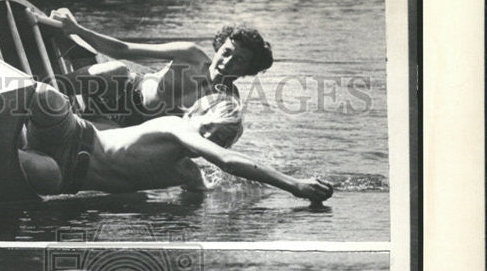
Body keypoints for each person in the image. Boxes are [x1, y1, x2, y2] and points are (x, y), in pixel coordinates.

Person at [17, 81, 334, 202]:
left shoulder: (187, 174)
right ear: (196, 113)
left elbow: (227, 182)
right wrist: (294, 185)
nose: (212, 140)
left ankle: (12, 151)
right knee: (47, 96)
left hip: (63, 176)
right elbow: (226, 162)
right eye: (213, 130)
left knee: (42, 173)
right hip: (71, 133)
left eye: (223, 139)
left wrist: (258, 188)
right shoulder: (176, 126)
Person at [48, 7, 273, 125]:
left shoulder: (227, 101)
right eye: (226, 52)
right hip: (124, 89)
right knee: (114, 70)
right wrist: (77, 30)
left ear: (246, 70)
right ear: (219, 48)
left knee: (100, 137)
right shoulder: (190, 55)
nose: (227, 62)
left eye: (239, 61)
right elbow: (123, 50)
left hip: (134, 128)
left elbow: (208, 142)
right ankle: (38, 91)